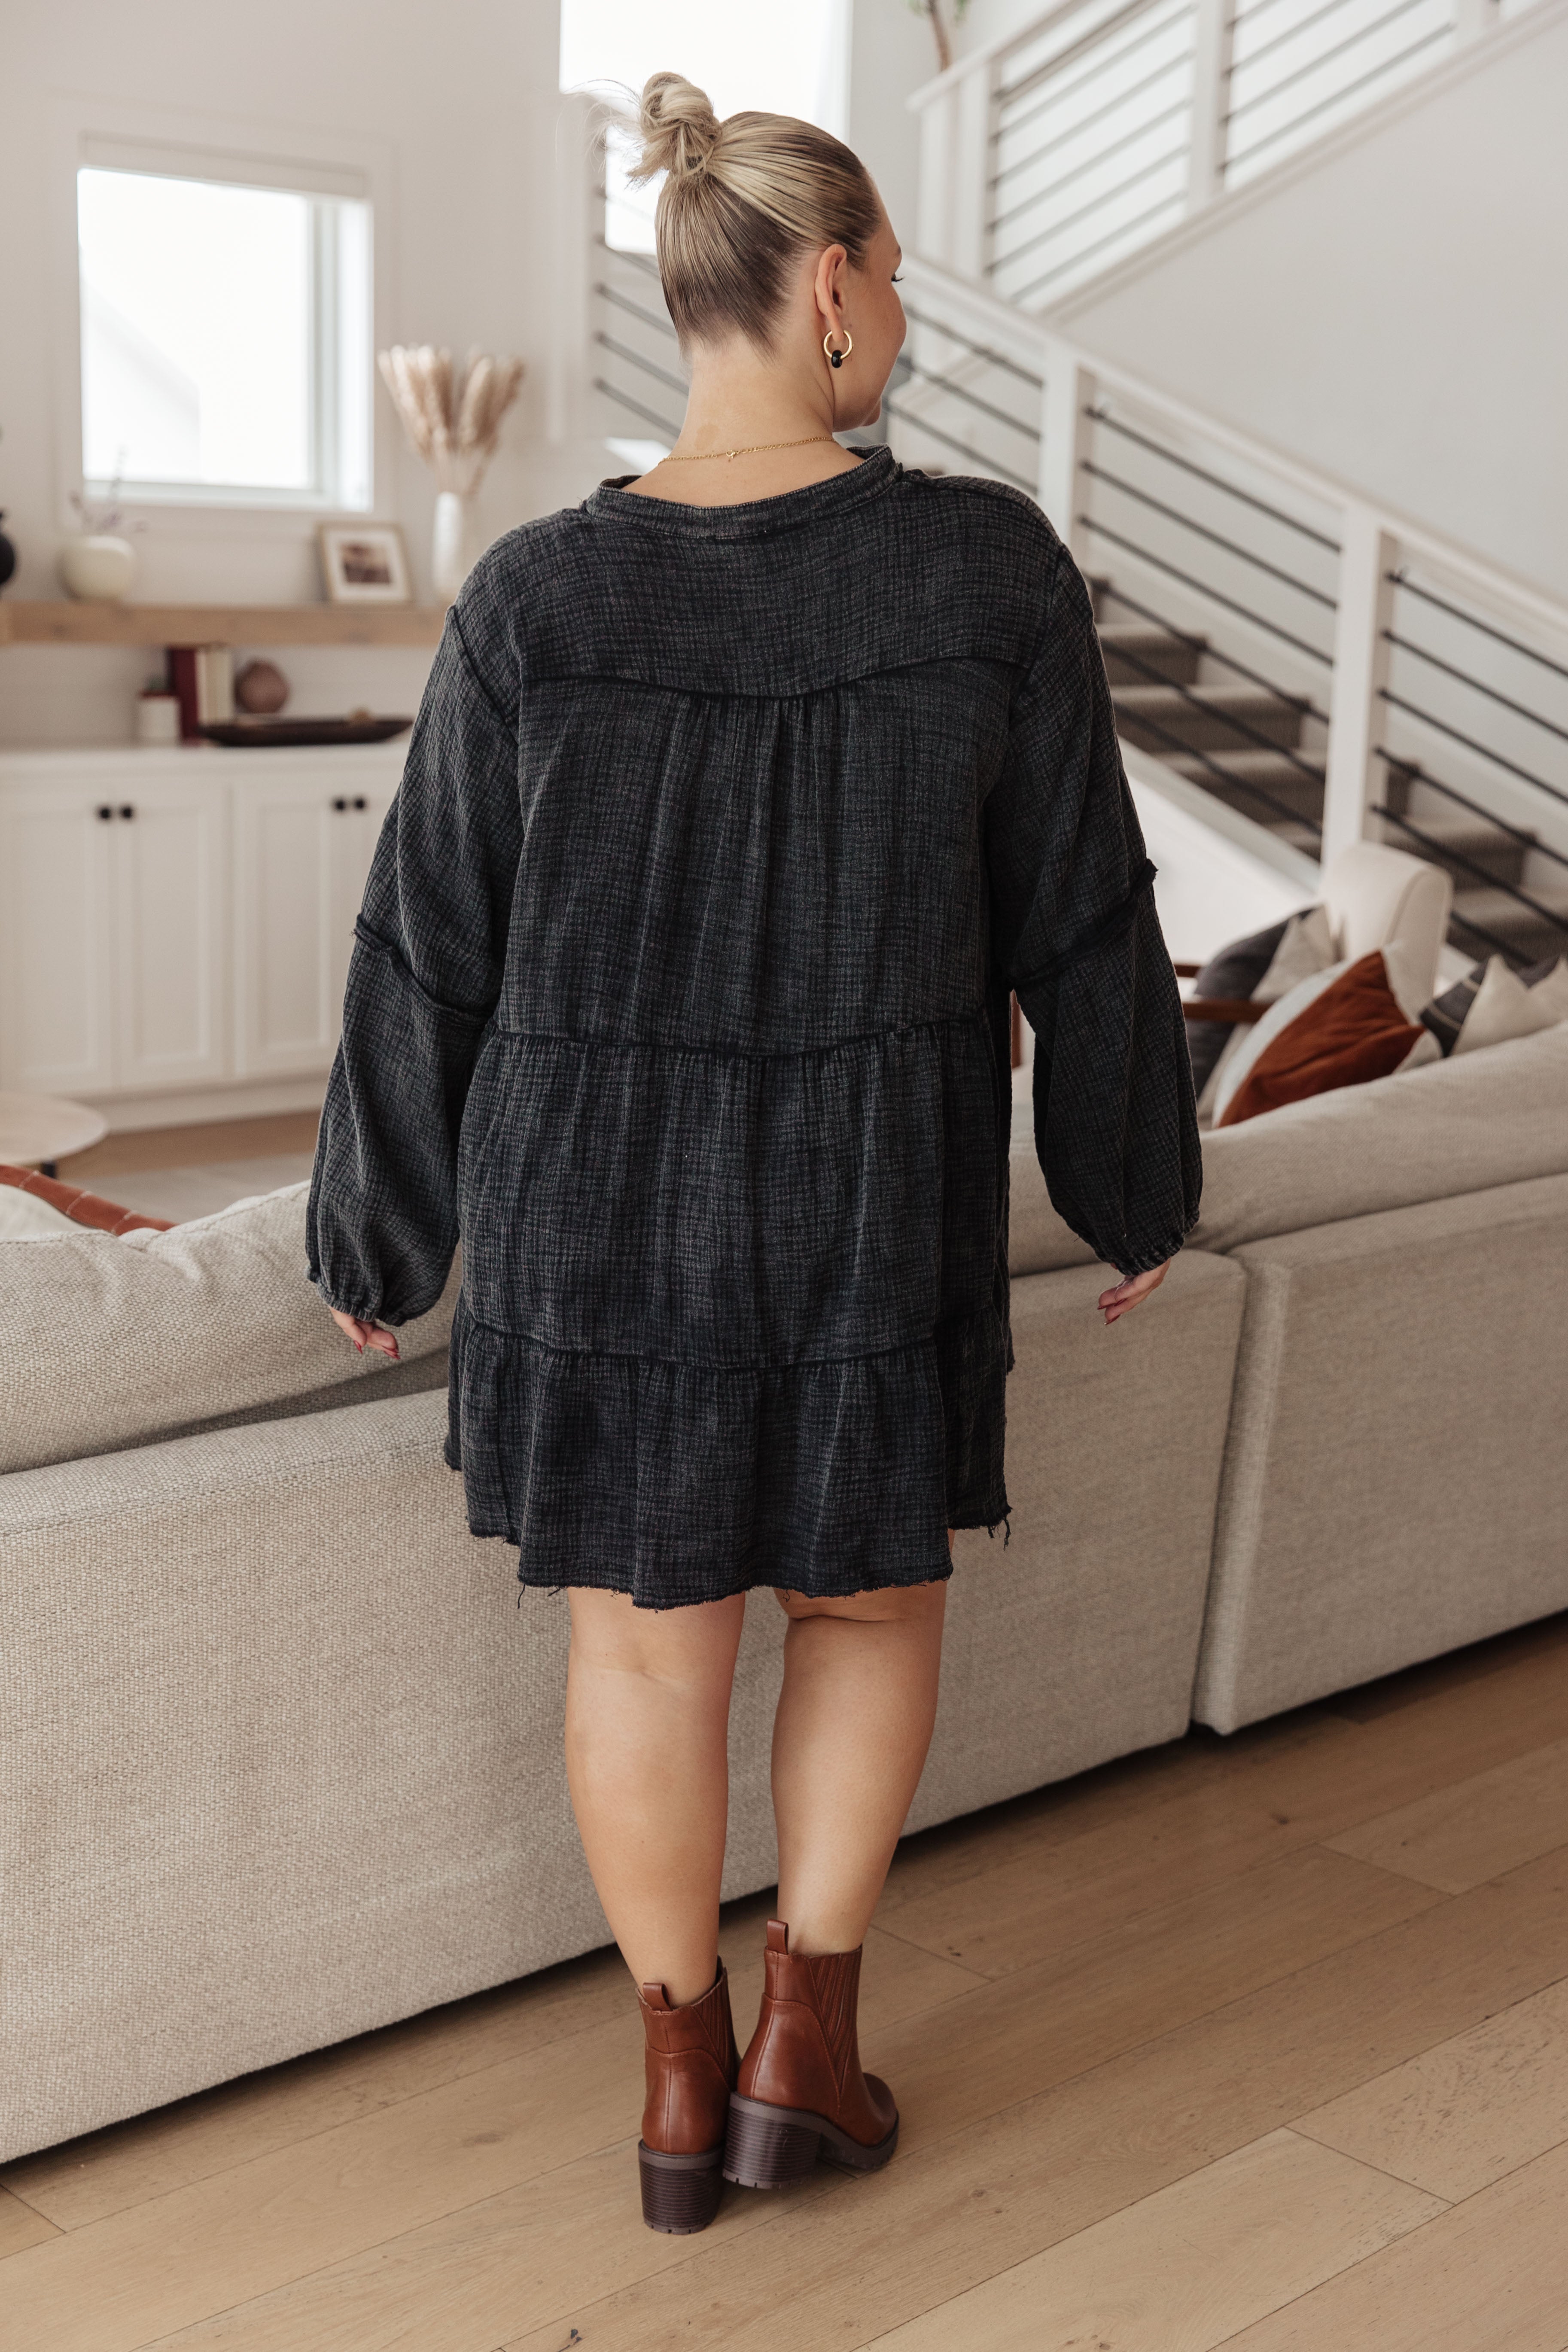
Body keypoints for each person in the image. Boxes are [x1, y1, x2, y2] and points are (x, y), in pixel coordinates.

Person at [306, 71, 1200, 2236]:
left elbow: (431, 934)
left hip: (590, 1202)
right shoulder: (988, 565)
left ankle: (679, 2078)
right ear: (825, 286)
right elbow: (1085, 904)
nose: (895, 316)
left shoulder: (532, 596)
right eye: (890, 277)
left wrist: (378, 1222)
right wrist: (1130, 1179)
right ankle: (815, 2039)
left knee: (641, 1645)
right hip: (867, 1181)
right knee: (867, 1608)